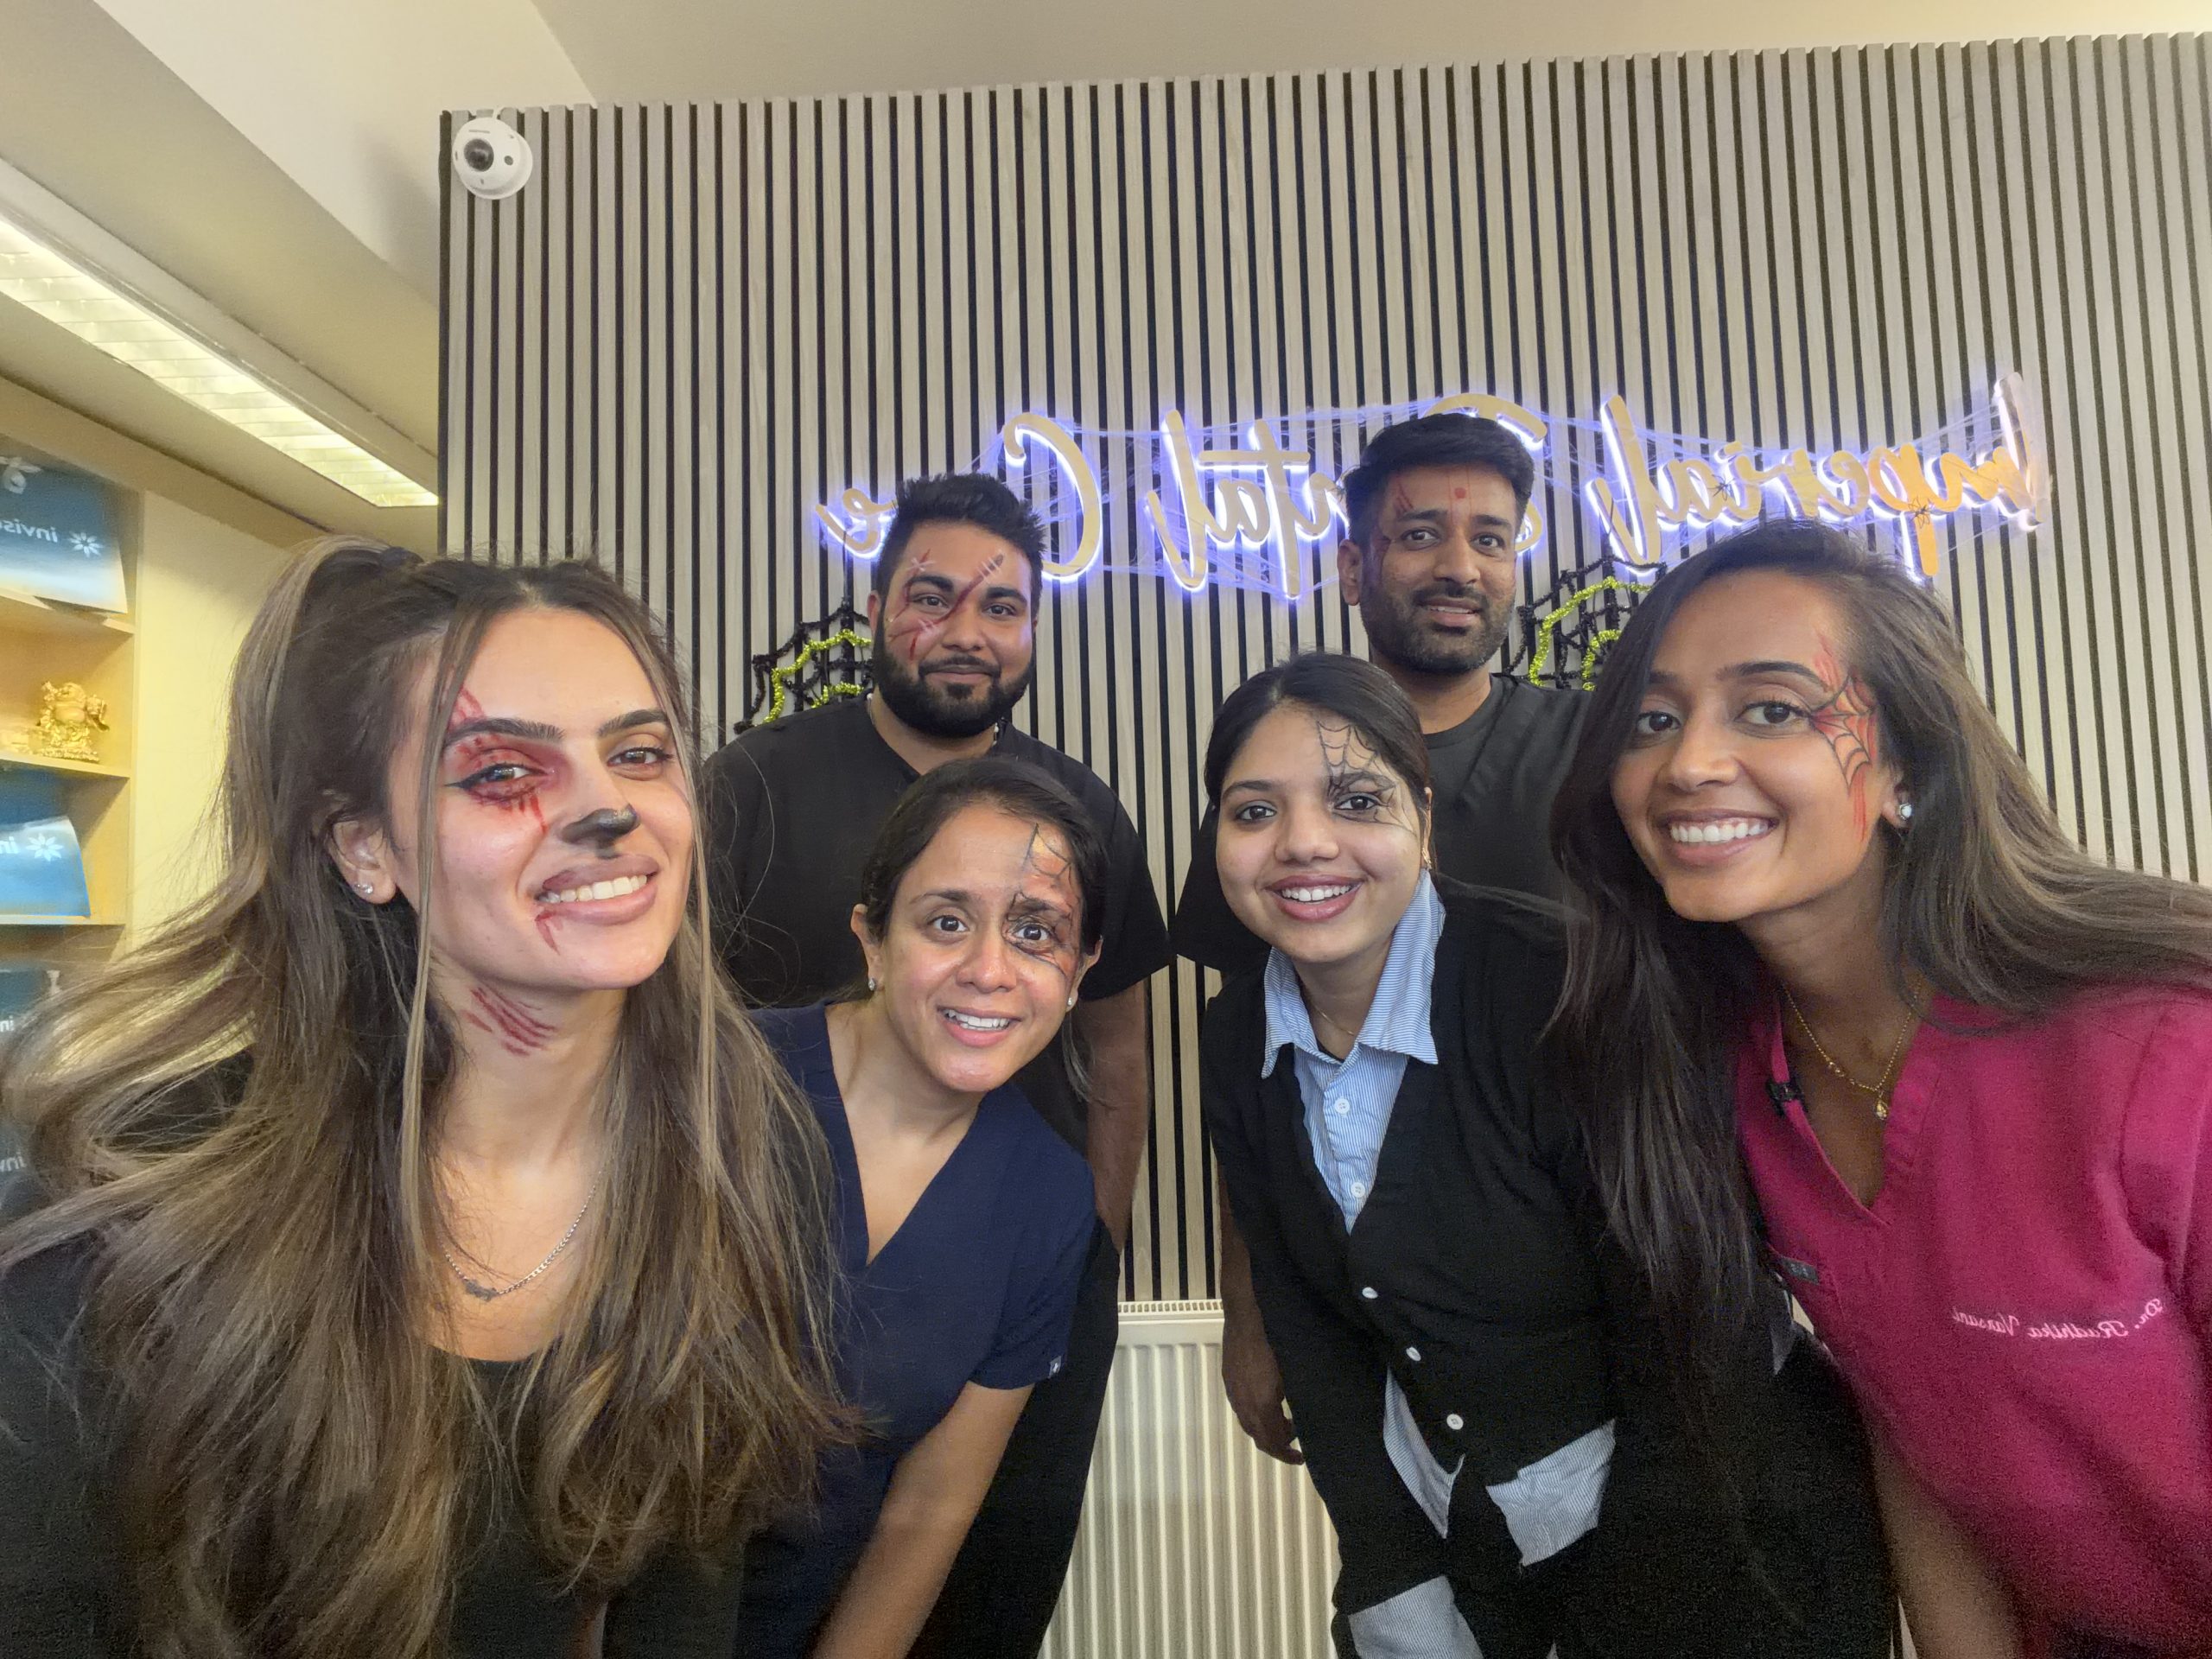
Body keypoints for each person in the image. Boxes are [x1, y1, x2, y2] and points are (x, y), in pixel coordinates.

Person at [0, 539, 843, 1658]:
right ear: (365, 848)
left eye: (639, 754)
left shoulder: (736, 1164)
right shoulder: (125, 1223)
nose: (609, 810)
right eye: (502, 773)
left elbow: (682, 1592)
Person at [1548, 520, 2212, 1657]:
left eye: (1770, 709)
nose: (1689, 762)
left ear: (1905, 768)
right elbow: (1915, 1418)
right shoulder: (1729, 1079)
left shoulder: (2162, 1046)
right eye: (1651, 721)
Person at [1198, 652, 1891, 1659]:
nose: (1304, 842)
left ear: (1422, 817)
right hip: (1481, 1532)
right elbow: (1314, 1335)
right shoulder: (1233, 1041)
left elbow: (1692, 1343)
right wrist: (1390, 1575)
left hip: (1723, 1521)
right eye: (1254, 811)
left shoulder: (1565, 991)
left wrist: (1610, 1628)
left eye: (1355, 800)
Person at [702, 472, 1172, 1658]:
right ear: (874, 610)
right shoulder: (754, 783)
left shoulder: (1081, 814)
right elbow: (658, 1023)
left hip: (1009, 1265)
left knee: (978, 1581)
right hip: (762, 1254)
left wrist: (1086, 1248)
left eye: (1001, 606)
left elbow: (1120, 1057)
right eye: (932, 596)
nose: (966, 630)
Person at [1174, 412, 1587, 1467]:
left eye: (1490, 539)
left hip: (1576, 1311)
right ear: (1354, 567)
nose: (1460, 567)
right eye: (1419, 535)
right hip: (1357, 1314)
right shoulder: (1270, 781)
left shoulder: (1591, 757)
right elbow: (1253, 1084)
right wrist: (1249, 1311)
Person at [736, 758, 1102, 1658]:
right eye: (946, 922)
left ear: (1080, 971)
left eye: (1036, 932)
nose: (989, 970)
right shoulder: (717, 1086)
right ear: (872, 939)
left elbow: (927, 1514)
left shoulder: (1049, 1198)